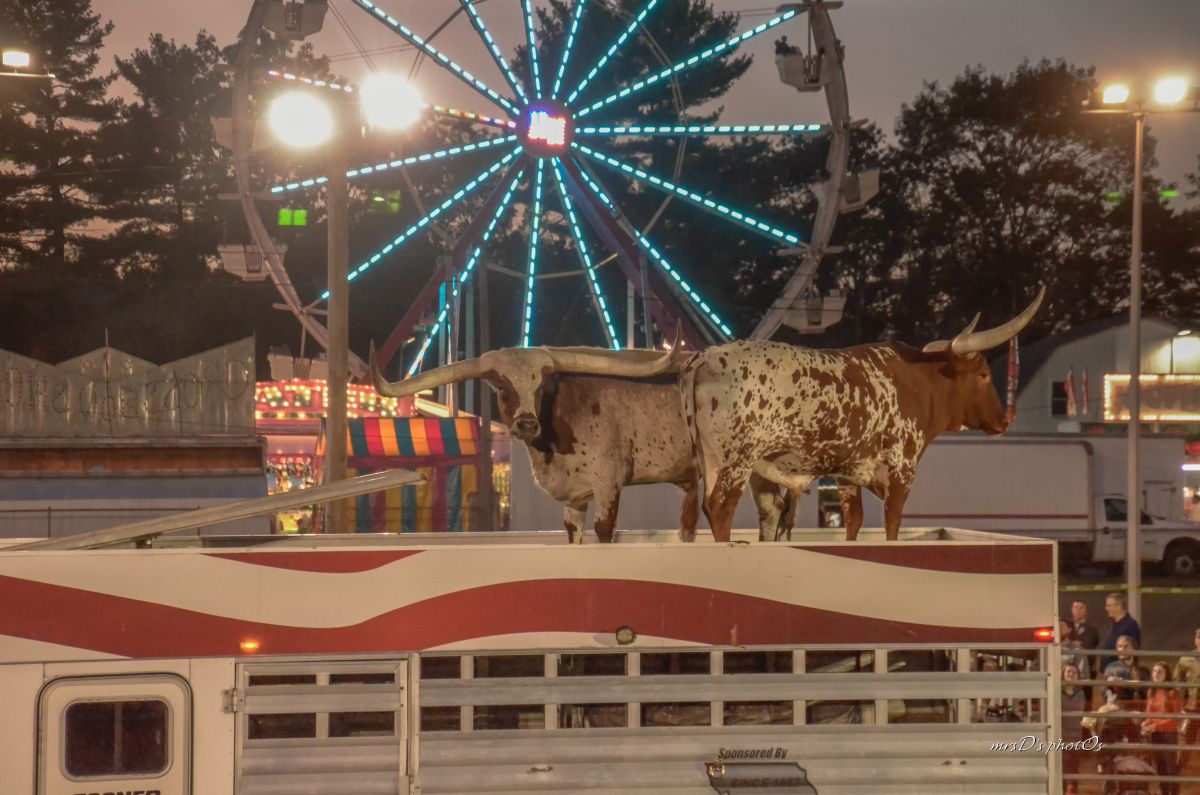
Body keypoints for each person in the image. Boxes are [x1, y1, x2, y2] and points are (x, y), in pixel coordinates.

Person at [1141, 662, 1182, 795]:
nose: (1156, 674)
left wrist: (1156, 725)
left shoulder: (1172, 692)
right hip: (1155, 734)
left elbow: (1175, 718)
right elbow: (1150, 714)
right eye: (1154, 671)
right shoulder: (1151, 691)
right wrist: (1146, 722)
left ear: (1166, 675)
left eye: (1160, 672)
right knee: (1160, 767)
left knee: (1171, 768)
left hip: (1169, 733)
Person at [1173, 628, 1200, 768]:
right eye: (1199, 638)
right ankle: (1178, 768)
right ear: (1196, 640)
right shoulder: (1186, 660)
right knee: (1185, 738)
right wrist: (1180, 704)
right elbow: (1178, 683)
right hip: (1191, 707)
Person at [1061, 663, 1087, 795]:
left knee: (1073, 765)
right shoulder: (1057, 691)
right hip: (1059, 734)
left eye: (1074, 672)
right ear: (1063, 674)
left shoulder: (1081, 693)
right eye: (1068, 672)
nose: (1071, 674)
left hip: (1076, 734)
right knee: (1060, 765)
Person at [1099, 592, 1142, 670]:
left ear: (1118, 606)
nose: (1106, 608)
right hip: (1111, 671)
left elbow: (1131, 651)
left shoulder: (1130, 625)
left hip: (1120, 672)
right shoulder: (1115, 624)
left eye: (1108, 605)